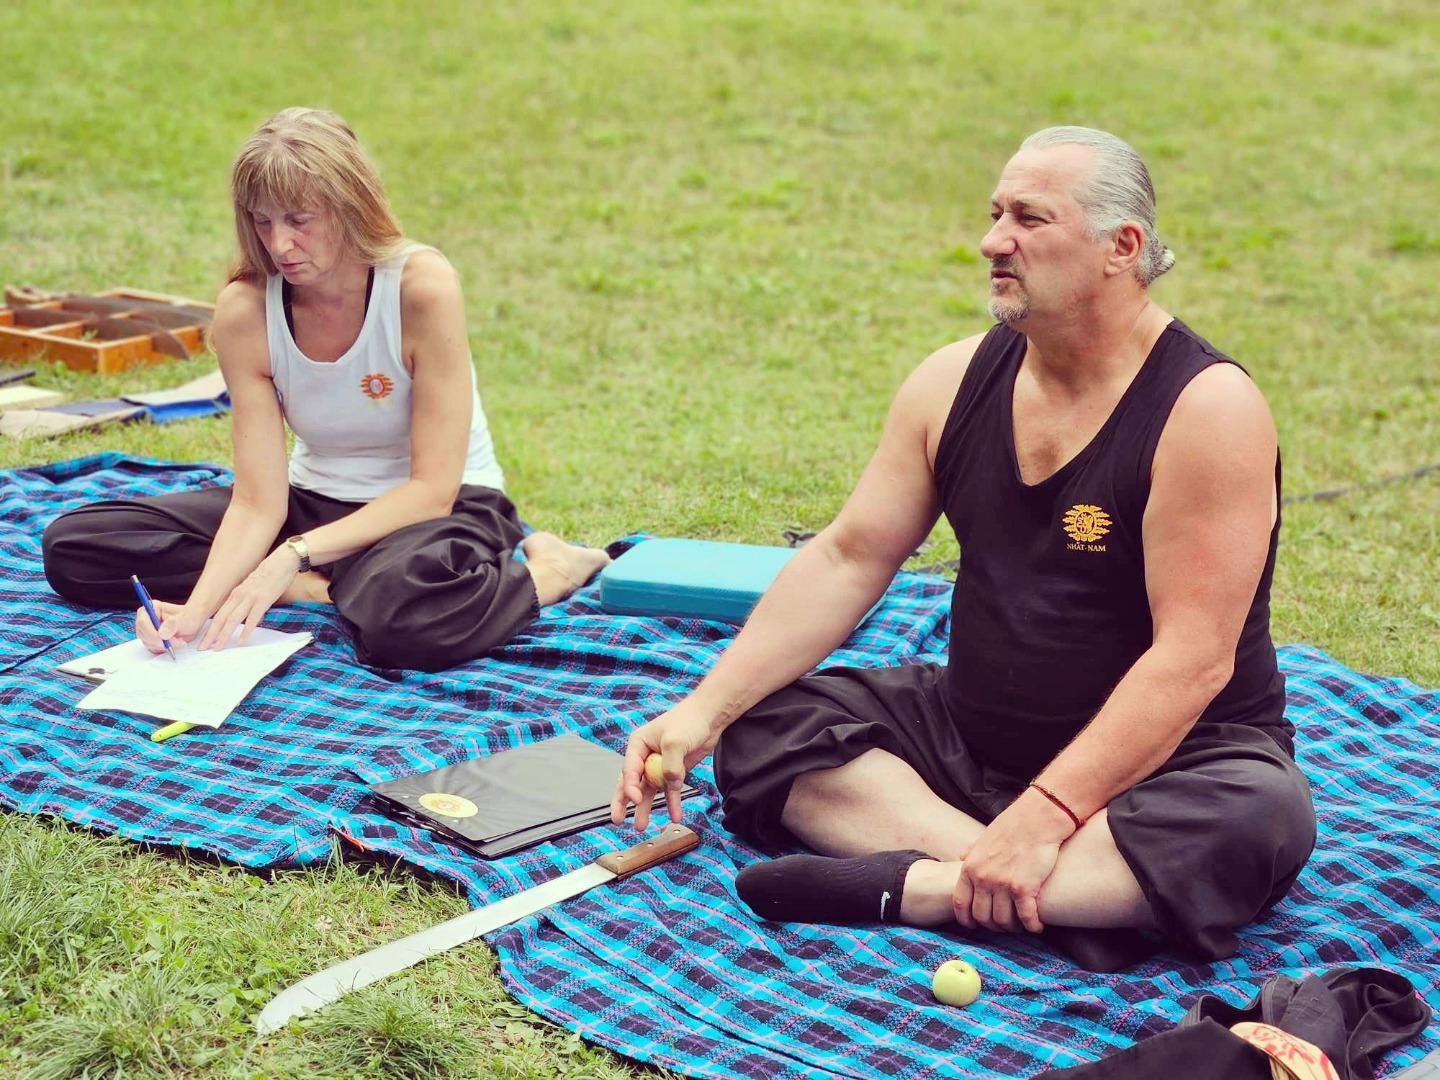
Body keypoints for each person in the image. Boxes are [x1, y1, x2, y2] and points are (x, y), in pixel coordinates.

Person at [611, 126, 1316, 968]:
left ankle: (923, 888)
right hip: (972, 739)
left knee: (1258, 817)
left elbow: (1193, 660)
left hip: (1168, 764)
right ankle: (1033, 891)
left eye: (1029, 219)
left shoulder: (1207, 412)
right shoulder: (950, 381)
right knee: (763, 723)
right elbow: (848, 556)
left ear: (1121, 248)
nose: (993, 242)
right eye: (995, 214)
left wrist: (1052, 810)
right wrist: (702, 711)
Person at [43, 108, 607, 671]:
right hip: (312, 501)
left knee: (399, 622)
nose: (279, 244)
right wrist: (197, 610)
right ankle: (327, 590)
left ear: (350, 205)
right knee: (76, 546)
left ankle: (549, 571)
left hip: (441, 507)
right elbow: (258, 502)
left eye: (299, 220)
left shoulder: (420, 287)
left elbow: (432, 490)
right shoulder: (246, 311)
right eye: (262, 222)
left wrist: (291, 555)